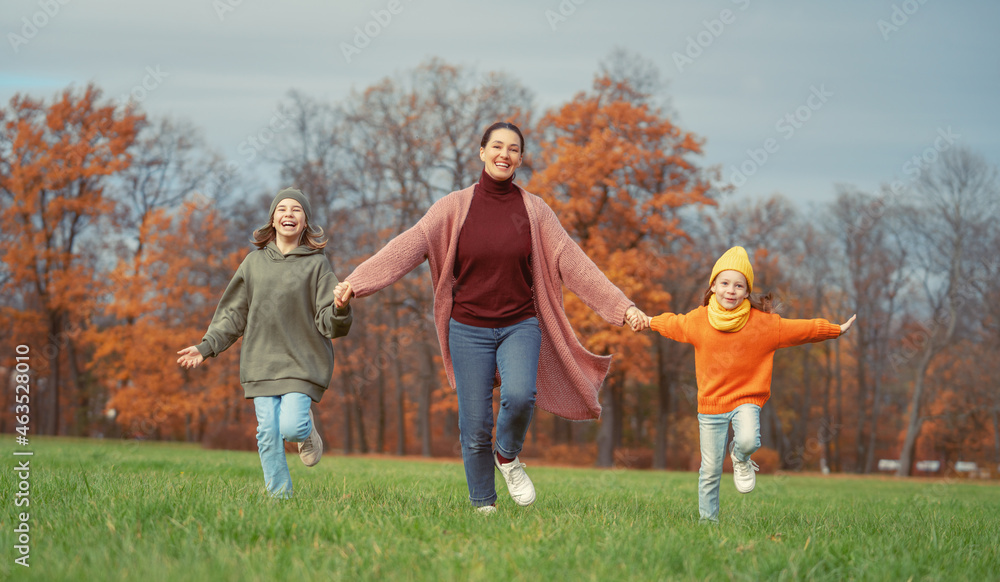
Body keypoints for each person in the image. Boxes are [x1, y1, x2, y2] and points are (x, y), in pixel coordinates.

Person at [333, 122, 648, 514]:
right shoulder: (452, 208)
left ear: (520, 158)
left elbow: (574, 262)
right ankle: (484, 506)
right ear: (481, 152)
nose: (504, 154)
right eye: (496, 146)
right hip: (467, 329)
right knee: (475, 425)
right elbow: (408, 246)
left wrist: (623, 306)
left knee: (520, 397)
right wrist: (355, 282)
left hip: (521, 323)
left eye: (513, 149)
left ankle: (508, 455)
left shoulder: (534, 211)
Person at [641, 246, 855, 523]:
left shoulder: (763, 325)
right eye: (725, 283)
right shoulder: (698, 320)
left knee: (748, 440)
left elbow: (800, 329)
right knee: (710, 469)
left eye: (738, 285)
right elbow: (673, 323)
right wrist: (648, 321)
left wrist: (834, 330)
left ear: (746, 292)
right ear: (714, 286)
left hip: (746, 398)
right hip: (711, 404)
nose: (731, 290)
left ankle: (740, 457)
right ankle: (708, 523)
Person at [176, 188, 353, 499]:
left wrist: (340, 307)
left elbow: (330, 323)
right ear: (273, 219)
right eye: (282, 208)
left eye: (296, 209)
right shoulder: (253, 263)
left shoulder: (317, 265)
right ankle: (280, 497)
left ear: (306, 222)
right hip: (260, 363)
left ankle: (306, 431)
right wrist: (206, 347)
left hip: (302, 362)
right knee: (268, 434)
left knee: (292, 428)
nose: (288, 214)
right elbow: (233, 314)